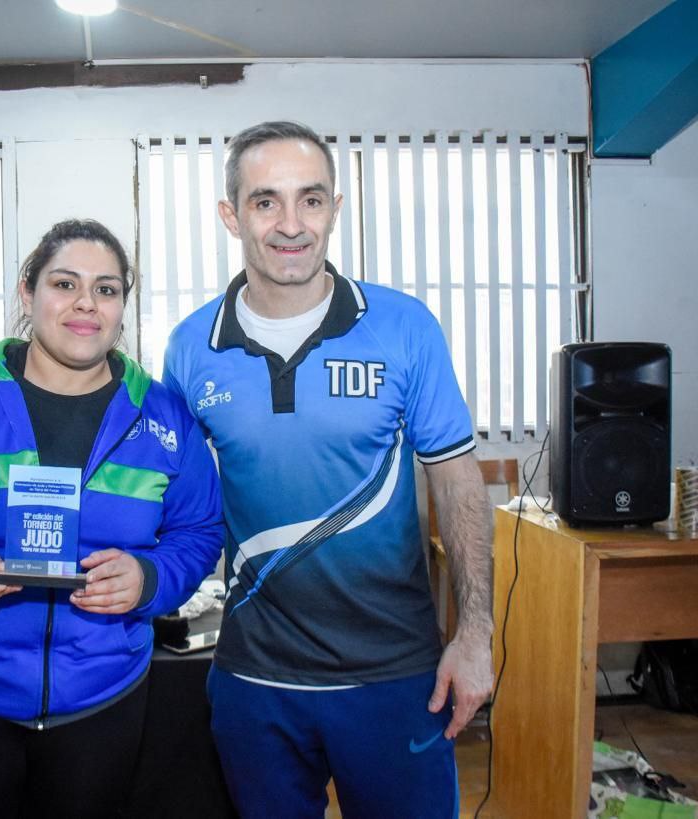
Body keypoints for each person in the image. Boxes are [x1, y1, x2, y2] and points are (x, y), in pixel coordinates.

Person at [162, 121, 494, 818]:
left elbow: (458, 482)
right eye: (266, 201)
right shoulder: (192, 347)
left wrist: (475, 633)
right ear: (231, 215)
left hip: (394, 674)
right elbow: (179, 501)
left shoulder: (404, 327)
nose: (291, 224)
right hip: (255, 680)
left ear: (335, 209)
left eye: (310, 199)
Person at [0, 219, 223, 819]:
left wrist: (150, 578)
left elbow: (199, 531)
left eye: (106, 289)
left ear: (122, 307)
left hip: (102, 697)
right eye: (65, 283)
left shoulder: (164, 416)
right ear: (28, 293)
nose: (86, 303)